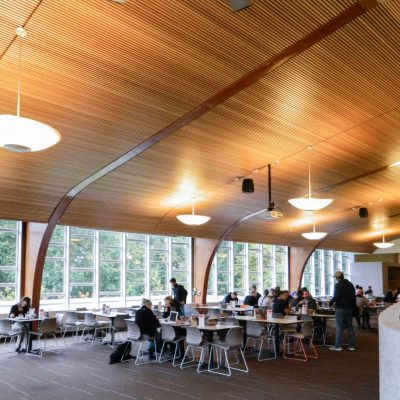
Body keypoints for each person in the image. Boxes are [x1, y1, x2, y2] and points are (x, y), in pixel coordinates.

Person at [329, 271, 356, 351]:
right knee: (350, 327)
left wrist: (330, 303)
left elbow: (336, 296)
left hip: (340, 309)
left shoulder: (338, 285)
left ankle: (338, 346)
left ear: (337, 278)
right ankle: (352, 346)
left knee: (339, 327)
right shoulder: (351, 285)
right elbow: (353, 298)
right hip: (350, 308)